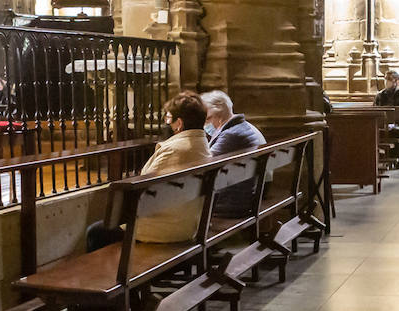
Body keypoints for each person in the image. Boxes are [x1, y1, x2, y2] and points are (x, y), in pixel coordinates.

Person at [85, 91, 213, 250]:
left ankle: (109, 274)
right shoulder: (203, 146)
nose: (168, 123)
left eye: (168, 118)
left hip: (167, 228)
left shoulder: (174, 151)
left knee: (95, 232)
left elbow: (141, 189)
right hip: (190, 222)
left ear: (179, 123)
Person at [201, 89, 266, 217]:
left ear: (219, 114)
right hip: (244, 192)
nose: (205, 125)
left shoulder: (231, 134)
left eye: (208, 118)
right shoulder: (238, 127)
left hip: (232, 200)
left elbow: (204, 163)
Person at [374, 70, 399, 166]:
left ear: (397, 81)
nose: (387, 82)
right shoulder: (380, 95)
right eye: (386, 79)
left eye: (390, 79)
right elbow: (375, 110)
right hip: (383, 125)